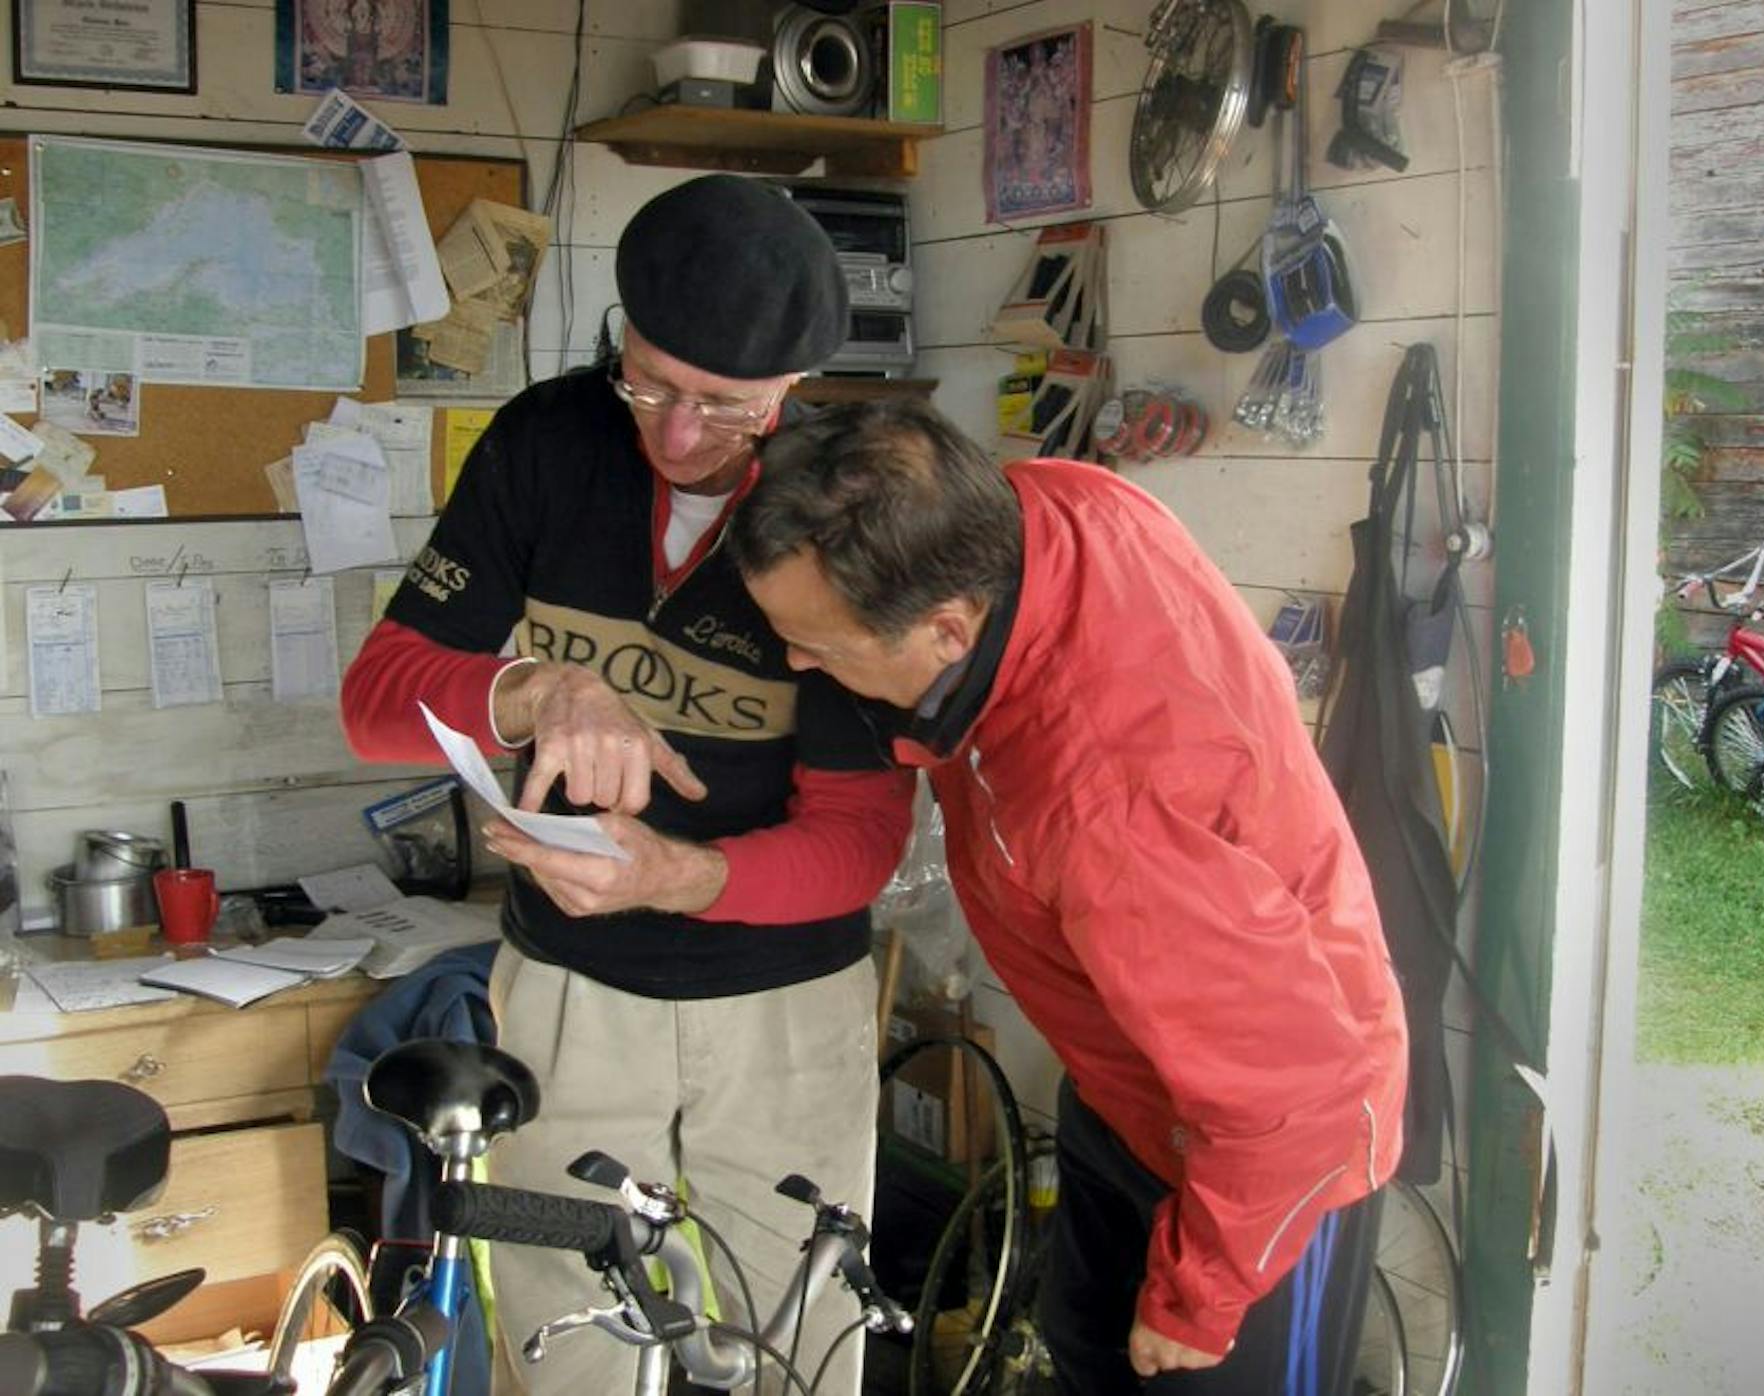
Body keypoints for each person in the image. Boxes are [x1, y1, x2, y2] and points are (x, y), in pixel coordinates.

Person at [339, 176, 914, 1396]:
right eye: (650, 383)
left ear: (792, 393)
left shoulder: (848, 505)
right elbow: (377, 696)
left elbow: (859, 839)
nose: (681, 435)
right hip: (564, 985)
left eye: (727, 407)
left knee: (796, 1344)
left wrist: (680, 875)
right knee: (568, 1342)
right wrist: (535, 687)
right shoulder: (552, 439)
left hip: (785, 1003)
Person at [728, 400, 1411, 1395]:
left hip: (1265, 1167)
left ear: (946, 629)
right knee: (1085, 1350)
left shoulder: (1108, 810)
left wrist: (1199, 1297)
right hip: (1139, 1082)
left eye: (818, 644)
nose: (796, 662)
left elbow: (1290, 1099)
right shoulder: (1050, 507)